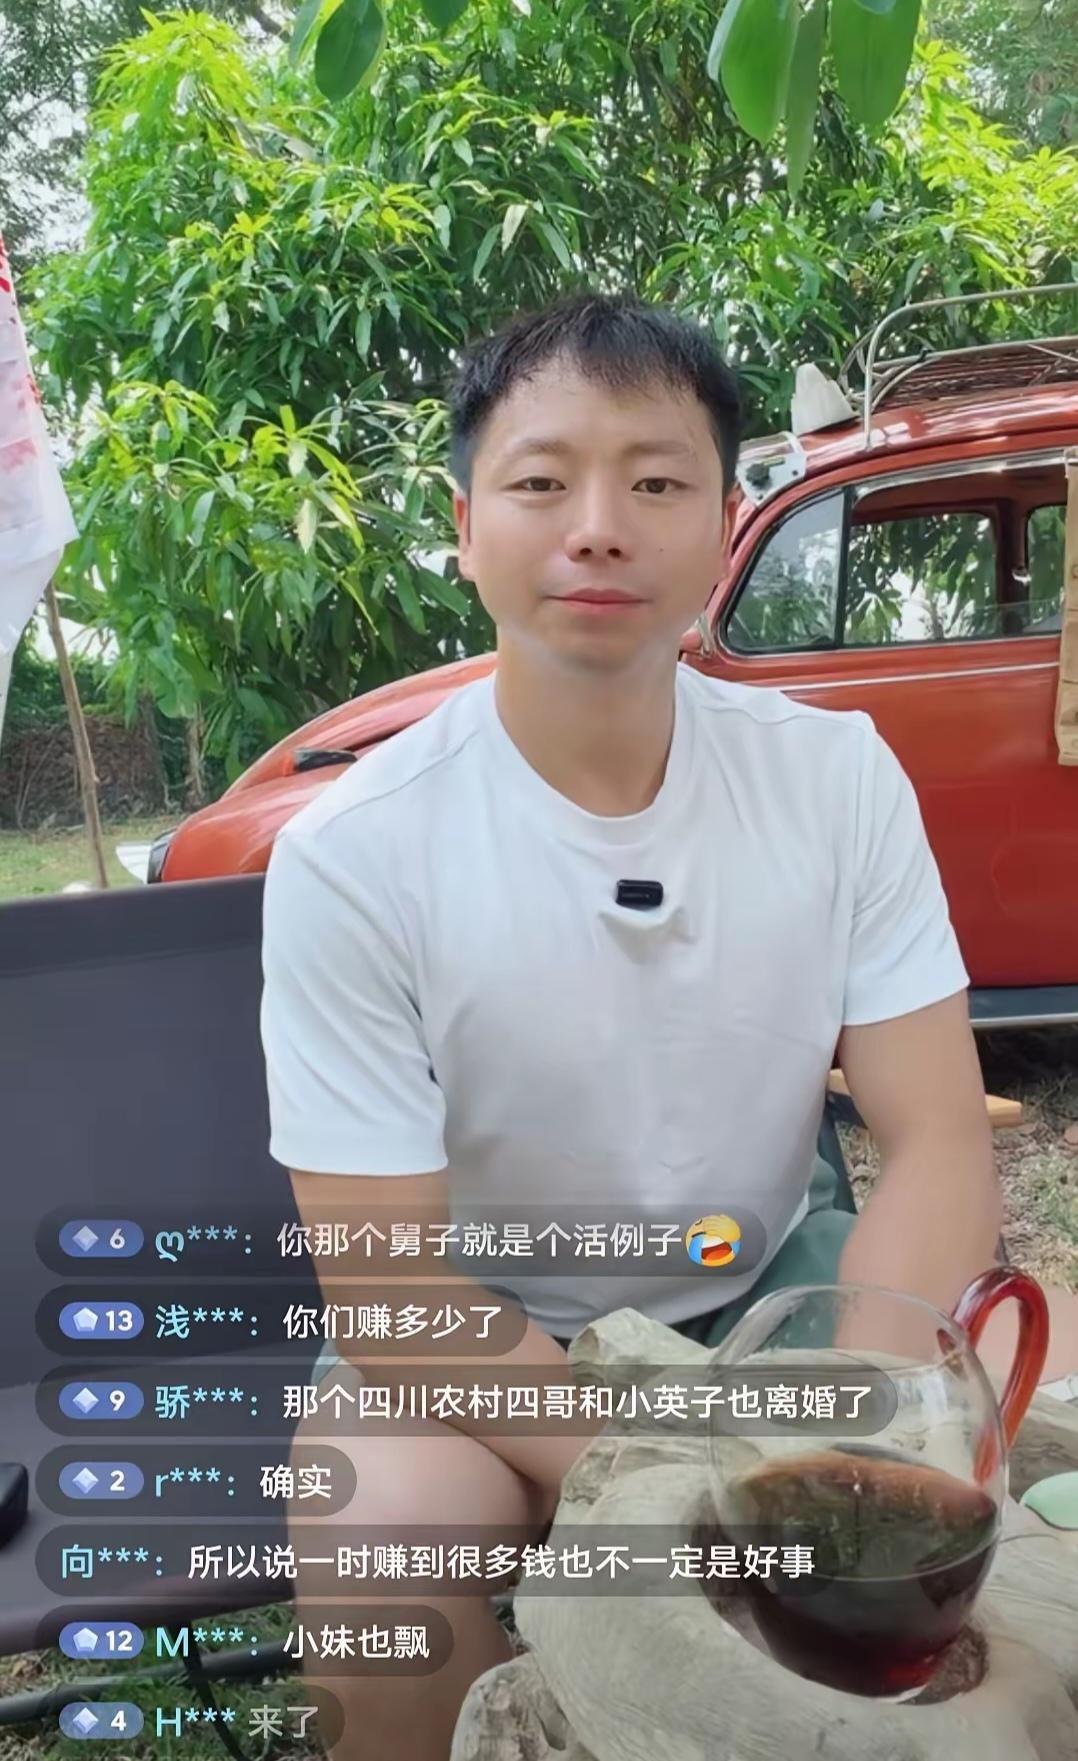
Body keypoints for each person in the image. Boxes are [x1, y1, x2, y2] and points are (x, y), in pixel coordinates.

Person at [259, 288, 1002, 1759]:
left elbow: (934, 1139)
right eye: (541, 482)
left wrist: (853, 1423)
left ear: (724, 526)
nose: (597, 529)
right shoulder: (354, 850)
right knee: (382, 1538)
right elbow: (384, 1279)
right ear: (465, 525)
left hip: (768, 1292)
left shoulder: (837, 779)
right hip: (475, 1331)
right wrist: (653, 1476)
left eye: (655, 483)